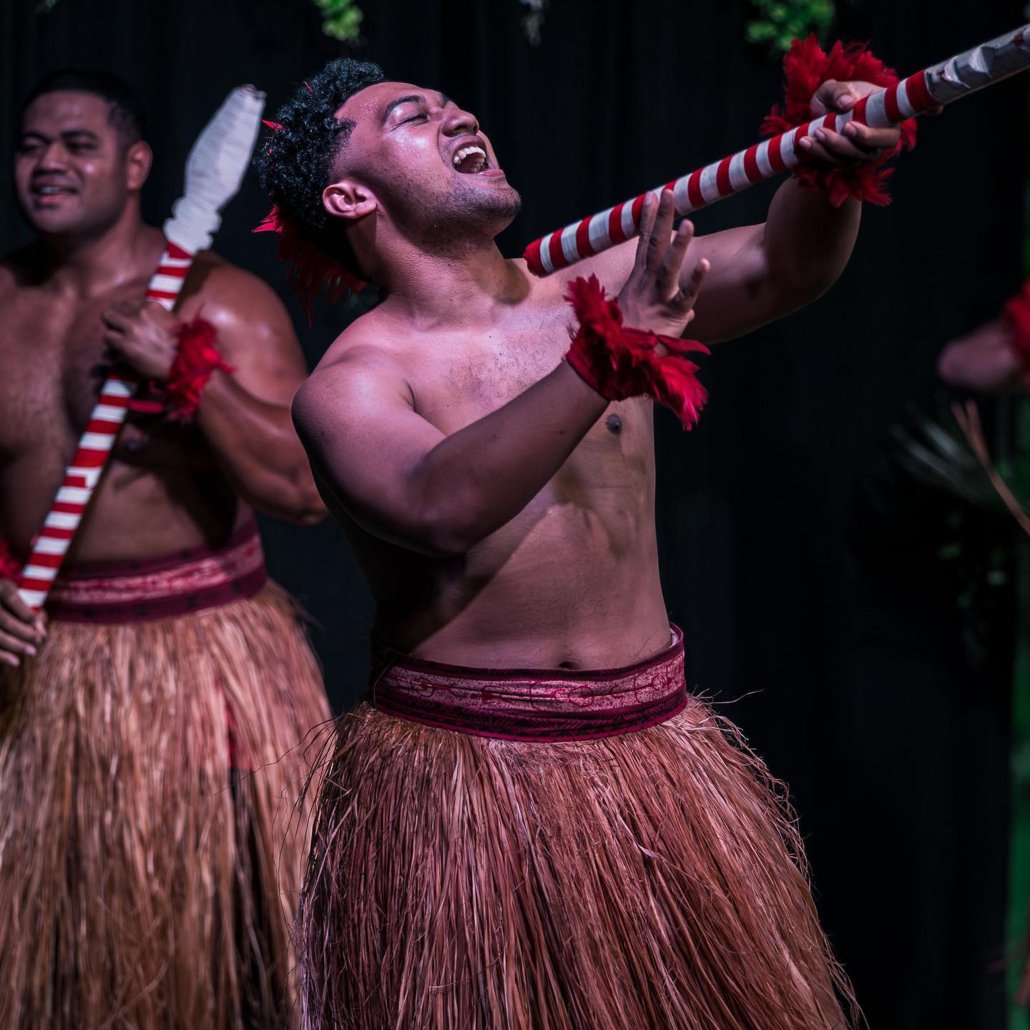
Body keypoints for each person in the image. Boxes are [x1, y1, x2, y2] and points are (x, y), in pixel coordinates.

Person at [258, 55, 903, 1029]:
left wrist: (830, 173)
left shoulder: (590, 289)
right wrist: (612, 349)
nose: (454, 113)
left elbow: (783, 267)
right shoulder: (352, 383)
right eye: (410, 116)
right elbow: (440, 504)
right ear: (349, 193)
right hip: (469, 786)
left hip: (651, 756)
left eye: (449, 102)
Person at [0, 68, 331, 1029]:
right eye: (30, 145)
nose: (48, 163)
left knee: (231, 968)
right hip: (45, 679)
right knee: (60, 979)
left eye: (77, 144)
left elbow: (306, 492)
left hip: (203, 675)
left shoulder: (221, 303)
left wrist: (188, 380)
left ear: (139, 165)